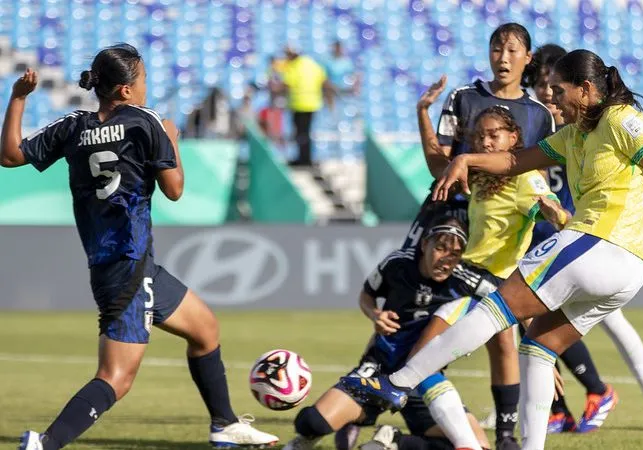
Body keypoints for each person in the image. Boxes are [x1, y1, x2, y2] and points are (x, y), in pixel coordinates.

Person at [340, 49, 643, 450]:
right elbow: (514, 161)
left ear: (587, 89)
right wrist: (467, 160)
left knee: (494, 310)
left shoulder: (622, 119)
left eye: (558, 89)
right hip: (627, 270)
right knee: (538, 345)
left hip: (598, 243)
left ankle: (398, 383)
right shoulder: (572, 135)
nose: (549, 97)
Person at [0, 44, 278, 449]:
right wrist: (172, 140)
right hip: (128, 265)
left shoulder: (74, 125)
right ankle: (45, 443)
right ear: (127, 90)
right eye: (143, 79)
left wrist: (18, 98)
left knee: (204, 329)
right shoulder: (145, 122)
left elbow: (9, 156)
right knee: (116, 377)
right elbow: (175, 189)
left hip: (118, 261)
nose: (147, 86)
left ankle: (225, 424)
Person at [406, 23, 555, 450]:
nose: (502, 57)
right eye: (496, 48)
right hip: (451, 224)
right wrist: (422, 116)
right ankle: (411, 407)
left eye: (512, 49)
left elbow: (537, 180)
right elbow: (441, 166)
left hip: (501, 236)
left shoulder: (538, 115)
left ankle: (505, 434)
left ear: (527, 58)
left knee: (501, 336)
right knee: (422, 321)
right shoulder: (464, 98)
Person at [530, 44, 643, 433]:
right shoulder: (544, 124)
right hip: (553, 234)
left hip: (589, 236)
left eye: (552, 86)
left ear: (576, 87)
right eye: (540, 85)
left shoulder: (589, 123)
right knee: (539, 326)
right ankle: (557, 408)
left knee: (608, 321)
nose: (547, 94)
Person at [284, 216, 492, 450]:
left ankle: (395, 441)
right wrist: (375, 315)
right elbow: (366, 295)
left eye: (454, 253)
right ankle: (347, 420)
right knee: (313, 422)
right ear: (425, 245)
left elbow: (507, 302)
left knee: (478, 447)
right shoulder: (398, 263)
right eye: (440, 248)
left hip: (424, 379)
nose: (446, 259)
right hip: (379, 369)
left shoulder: (465, 281)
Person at [273, 46, 334, 166]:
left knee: (300, 133)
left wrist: (275, 89)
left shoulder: (294, 66)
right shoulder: (313, 64)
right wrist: (329, 99)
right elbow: (325, 82)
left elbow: (287, 84)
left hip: (299, 104)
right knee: (306, 133)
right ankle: (306, 158)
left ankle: (303, 159)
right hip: (313, 104)